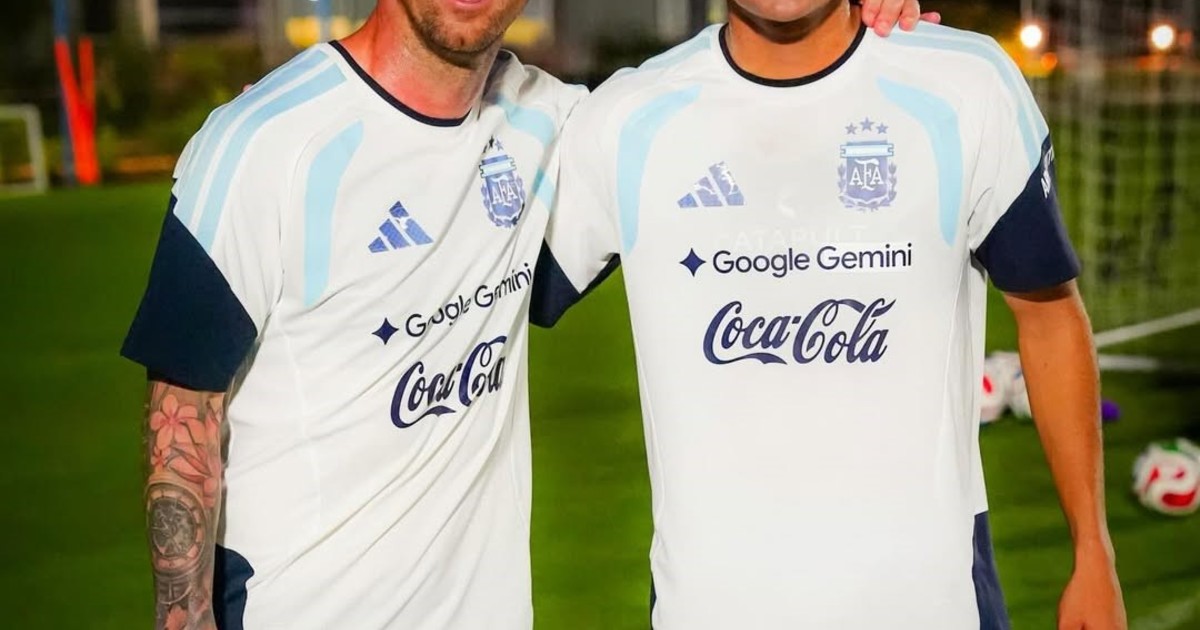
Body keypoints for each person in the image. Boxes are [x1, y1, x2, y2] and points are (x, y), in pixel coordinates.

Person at [121, 0, 927, 628]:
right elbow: (182, 417)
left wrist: (857, 25)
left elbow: (720, 106)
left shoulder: (553, 123)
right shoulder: (263, 146)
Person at [532, 1, 1128, 629]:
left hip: (933, 610)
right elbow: (482, 296)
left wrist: (1094, 550)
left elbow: (1047, 313)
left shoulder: (965, 85)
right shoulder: (627, 119)